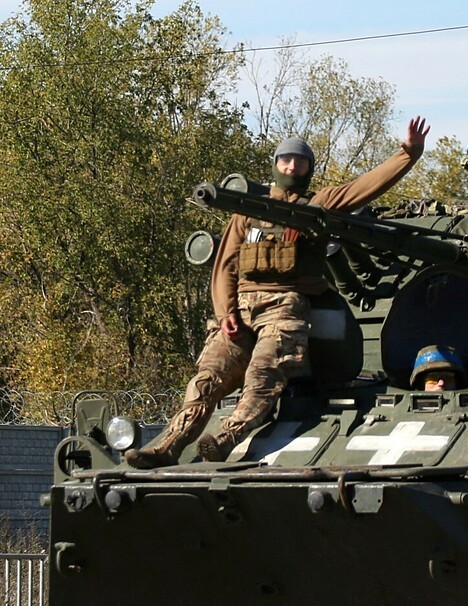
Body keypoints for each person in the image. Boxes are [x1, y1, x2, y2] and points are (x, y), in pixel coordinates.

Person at [125, 117, 431, 468]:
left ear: (308, 168)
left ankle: (226, 439)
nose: (291, 167)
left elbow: (364, 187)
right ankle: (167, 447)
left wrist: (407, 154)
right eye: (285, 160)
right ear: (275, 164)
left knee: (263, 375)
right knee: (207, 379)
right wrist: (225, 313)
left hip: (285, 307)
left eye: (299, 162)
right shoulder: (248, 211)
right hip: (241, 311)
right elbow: (225, 266)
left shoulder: (319, 204)